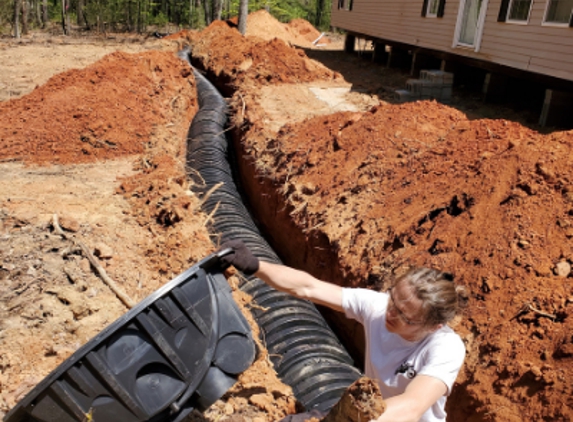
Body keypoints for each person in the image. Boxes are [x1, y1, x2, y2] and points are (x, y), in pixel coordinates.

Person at [219, 240, 469, 422]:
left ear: (433, 326)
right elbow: (308, 287)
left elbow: (411, 407)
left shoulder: (446, 347)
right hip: (368, 414)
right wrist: (254, 265)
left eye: (405, 316)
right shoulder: (379, 307)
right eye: (393, 299)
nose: (391, 313)